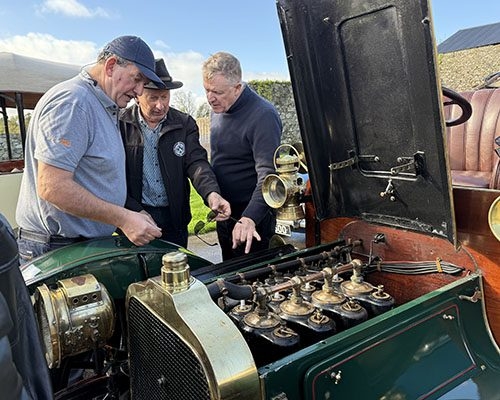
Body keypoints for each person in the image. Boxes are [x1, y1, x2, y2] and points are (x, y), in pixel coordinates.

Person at [16, 35, 165, 264]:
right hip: (56, 249)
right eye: (136, 79)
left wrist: (131, 214)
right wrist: (123, 218)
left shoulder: (103, 105)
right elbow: (53, 187)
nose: (138, 91)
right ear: (111, 66)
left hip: (77, 245)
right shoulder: (74, 102)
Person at [119, 58, 231, 248]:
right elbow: (112, 176)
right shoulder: (120, 124)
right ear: (138, 95)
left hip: (175, 219)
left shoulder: (184, 124)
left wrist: (212, 194)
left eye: (164, 97)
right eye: (153, 98)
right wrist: (132, 211)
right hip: (135, 217)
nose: (160, 105)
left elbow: (196, 164)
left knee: (177, 265)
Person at [202, 51, 282, 260]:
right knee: (228, 272)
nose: (210, 98)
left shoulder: (263, 115)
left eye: (217, 92)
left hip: (252, 219)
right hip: (224, 213)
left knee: (256, 277)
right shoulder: (218, 109)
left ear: (237, 87)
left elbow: (268, 175)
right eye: (206, 90)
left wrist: (250, 217)